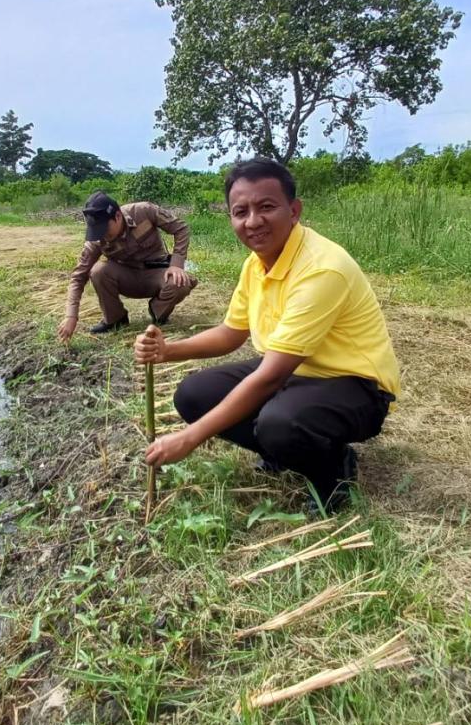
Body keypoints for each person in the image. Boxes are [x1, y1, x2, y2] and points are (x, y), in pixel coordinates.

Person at [134, 158, 400, 513]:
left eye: (267, 207)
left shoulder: (322, 268)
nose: (253, 221)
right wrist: (168, 351)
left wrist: (190, 438)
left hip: (355, 385)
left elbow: (270, 375)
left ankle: (333, 473)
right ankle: (284, 452)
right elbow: (231, 333)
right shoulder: (256, 263)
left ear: (294, 210)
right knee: (193, 395)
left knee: (280, 423)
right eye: (240, 211)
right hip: (296, 372)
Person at [58, 191, 196, 339]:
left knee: (179, 282)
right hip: (126, 278)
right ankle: (115, 320)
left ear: (117, 216)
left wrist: (176, 264)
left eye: (105, 229)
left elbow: (181, 228)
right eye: (97, 231)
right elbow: (78, 277)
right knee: (98, 271)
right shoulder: (96, 241)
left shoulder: (143, 211)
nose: (102, 235)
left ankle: (158, 313)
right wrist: (71, 316)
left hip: (155, 273)